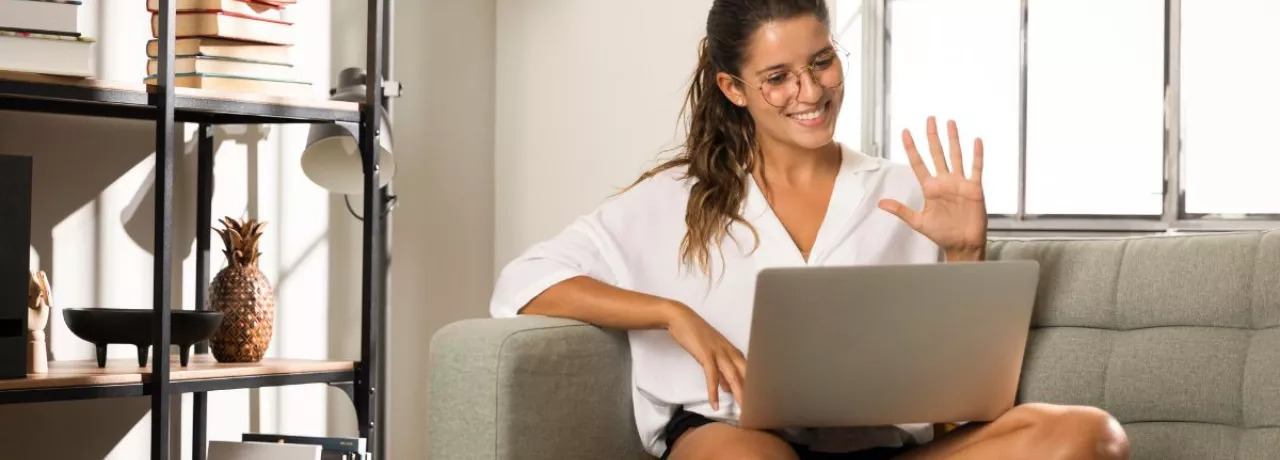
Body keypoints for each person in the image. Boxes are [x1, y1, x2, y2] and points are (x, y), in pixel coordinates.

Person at [489, 0, 1131, 458]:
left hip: (880, 445)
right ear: (733, 88)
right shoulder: (677, 201)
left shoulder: (904, 194)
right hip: (737, 444)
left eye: (821, 62)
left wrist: (964, 255)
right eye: (777, 78)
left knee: (1090, 435)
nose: (810, 91)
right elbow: (522, 282)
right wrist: (670, 313)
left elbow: (953, 416)